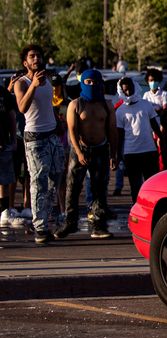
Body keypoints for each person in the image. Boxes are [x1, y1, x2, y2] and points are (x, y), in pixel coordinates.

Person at [55, 70, 118, 239]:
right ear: (82, 83)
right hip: (80, 150)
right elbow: (72, 131)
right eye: (88, 82)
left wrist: (114, 154)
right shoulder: (75, 104)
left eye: (94, 82)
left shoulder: (107, 105)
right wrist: (78, 152)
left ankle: (98, 224)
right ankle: (70, 222)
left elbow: (112, 131)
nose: (91, 85)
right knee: (73, 187)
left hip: (101, 149)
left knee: (99, 188)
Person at [12, 45, 65, 244]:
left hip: (52, 135)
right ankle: (40, 228)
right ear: (25, 62)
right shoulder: (22, 82)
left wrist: (57, 120)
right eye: (32, 56)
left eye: (39, 55)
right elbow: (22, 107)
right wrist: (33, 85)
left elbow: (50, 104)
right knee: (38, 182)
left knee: (56, 177)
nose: (36, 58)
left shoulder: (48, 81)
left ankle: (50, 219)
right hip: (35, 138)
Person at [115, 77, 160, 203]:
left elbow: (155, 126)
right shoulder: (120, 111)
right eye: (125, 91)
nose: (128, 92)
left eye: (130, 89)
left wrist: (163, 140)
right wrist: (117, 155)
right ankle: (138, 211)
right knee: (135, 186)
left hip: (149, 151)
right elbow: (120, 136)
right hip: (131, 154)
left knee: (152, 185)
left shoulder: (146, 105)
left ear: (134, 87)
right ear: (121, 92)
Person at [0, 79, 17, 224]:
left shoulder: (2, 93)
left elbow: (11, 115)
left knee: (4, 181)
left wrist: (14, 139)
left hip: (2, 142)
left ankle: (4, 212)